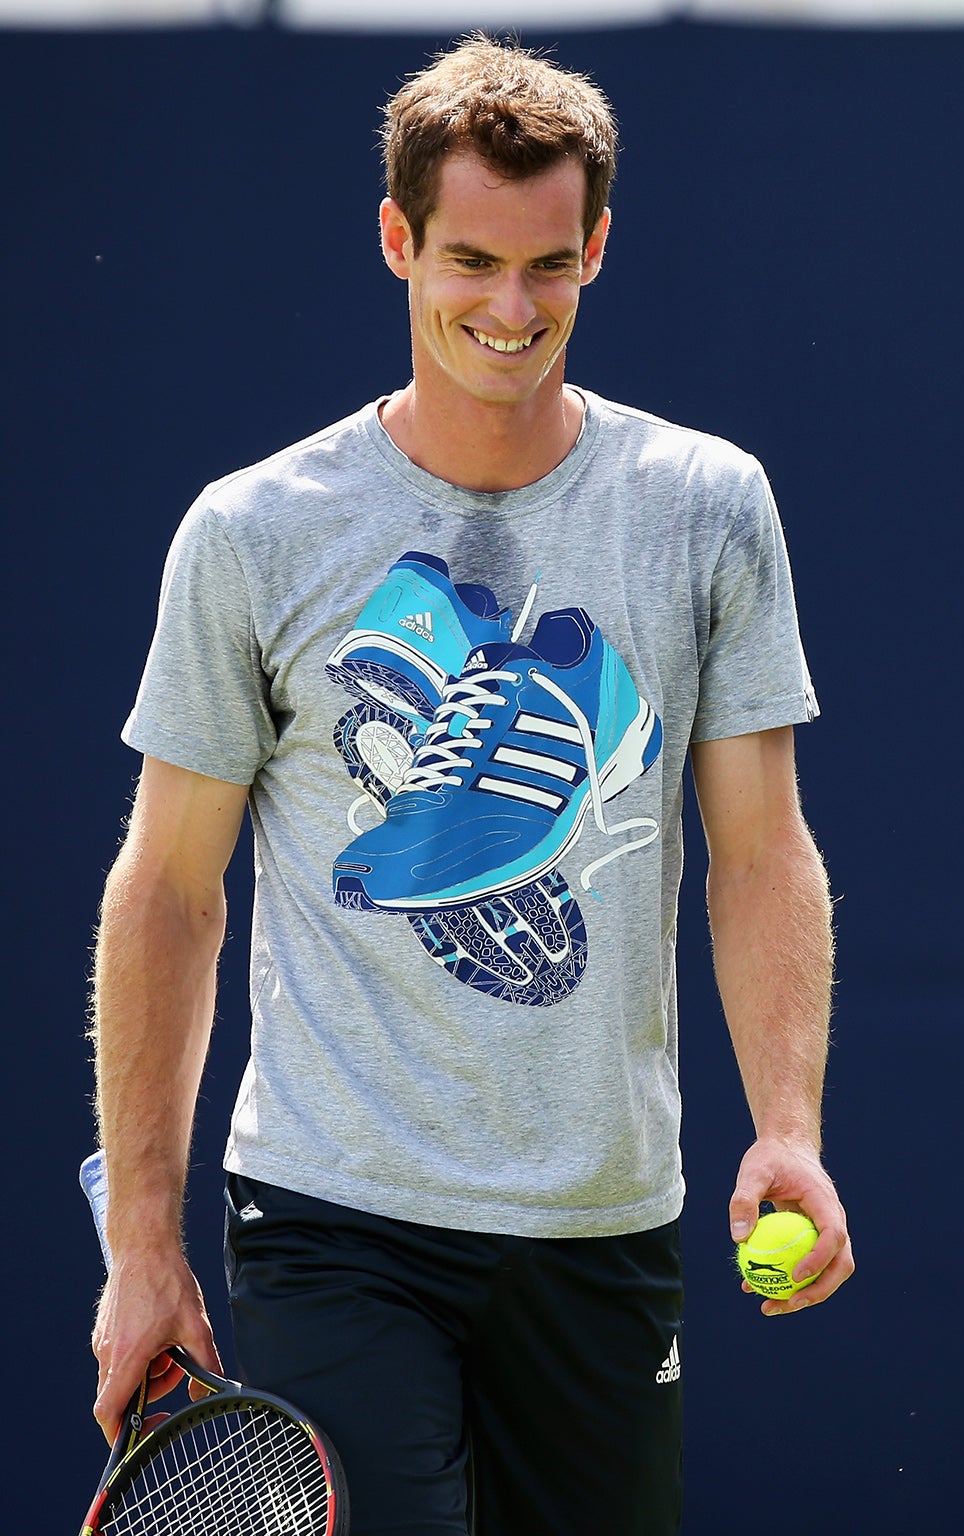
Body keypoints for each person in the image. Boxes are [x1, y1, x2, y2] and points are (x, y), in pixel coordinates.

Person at [88, 35, 851, 1533]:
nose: (512, 309)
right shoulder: (251, 533)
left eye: (550, 267)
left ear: (599, 249)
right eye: (472, 263)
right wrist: (139, 1242)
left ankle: (550, 696)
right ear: (398, 241)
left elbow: (762, 850)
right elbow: (171, 892)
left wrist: (789, 1131)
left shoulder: (706, 507)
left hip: (601, 1219)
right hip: (332, 1209)